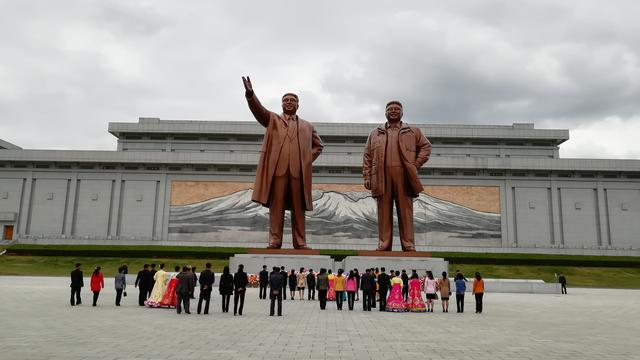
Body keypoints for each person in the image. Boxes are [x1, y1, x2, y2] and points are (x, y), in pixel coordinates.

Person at [242, 76, 324, 249]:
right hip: (278, 172)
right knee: (276, 207)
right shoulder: (273, 120)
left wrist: (306, 160)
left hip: (298, 173)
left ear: (298, 105)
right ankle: (275, 240)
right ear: (281, 104)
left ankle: (300, 242)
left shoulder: (308, 126)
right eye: (285, 100)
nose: (289, 102)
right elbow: (259, 111)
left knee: (298, 208)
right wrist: (251, 95)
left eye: (292, 100)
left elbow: (318, 146)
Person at [362, 100, 432, 252]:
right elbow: (367, 156)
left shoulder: (413, 131)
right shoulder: (375, 133)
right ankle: (384, 243)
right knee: (383, 211)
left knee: (405, 211)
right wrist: (367, 176)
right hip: (381, 175)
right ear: (385, 113)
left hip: (404, 175)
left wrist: (415, 164)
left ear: (402, 113)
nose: (393, 111)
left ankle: (408, 244)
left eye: (396, 109)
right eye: (390, 109)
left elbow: (426, 147)